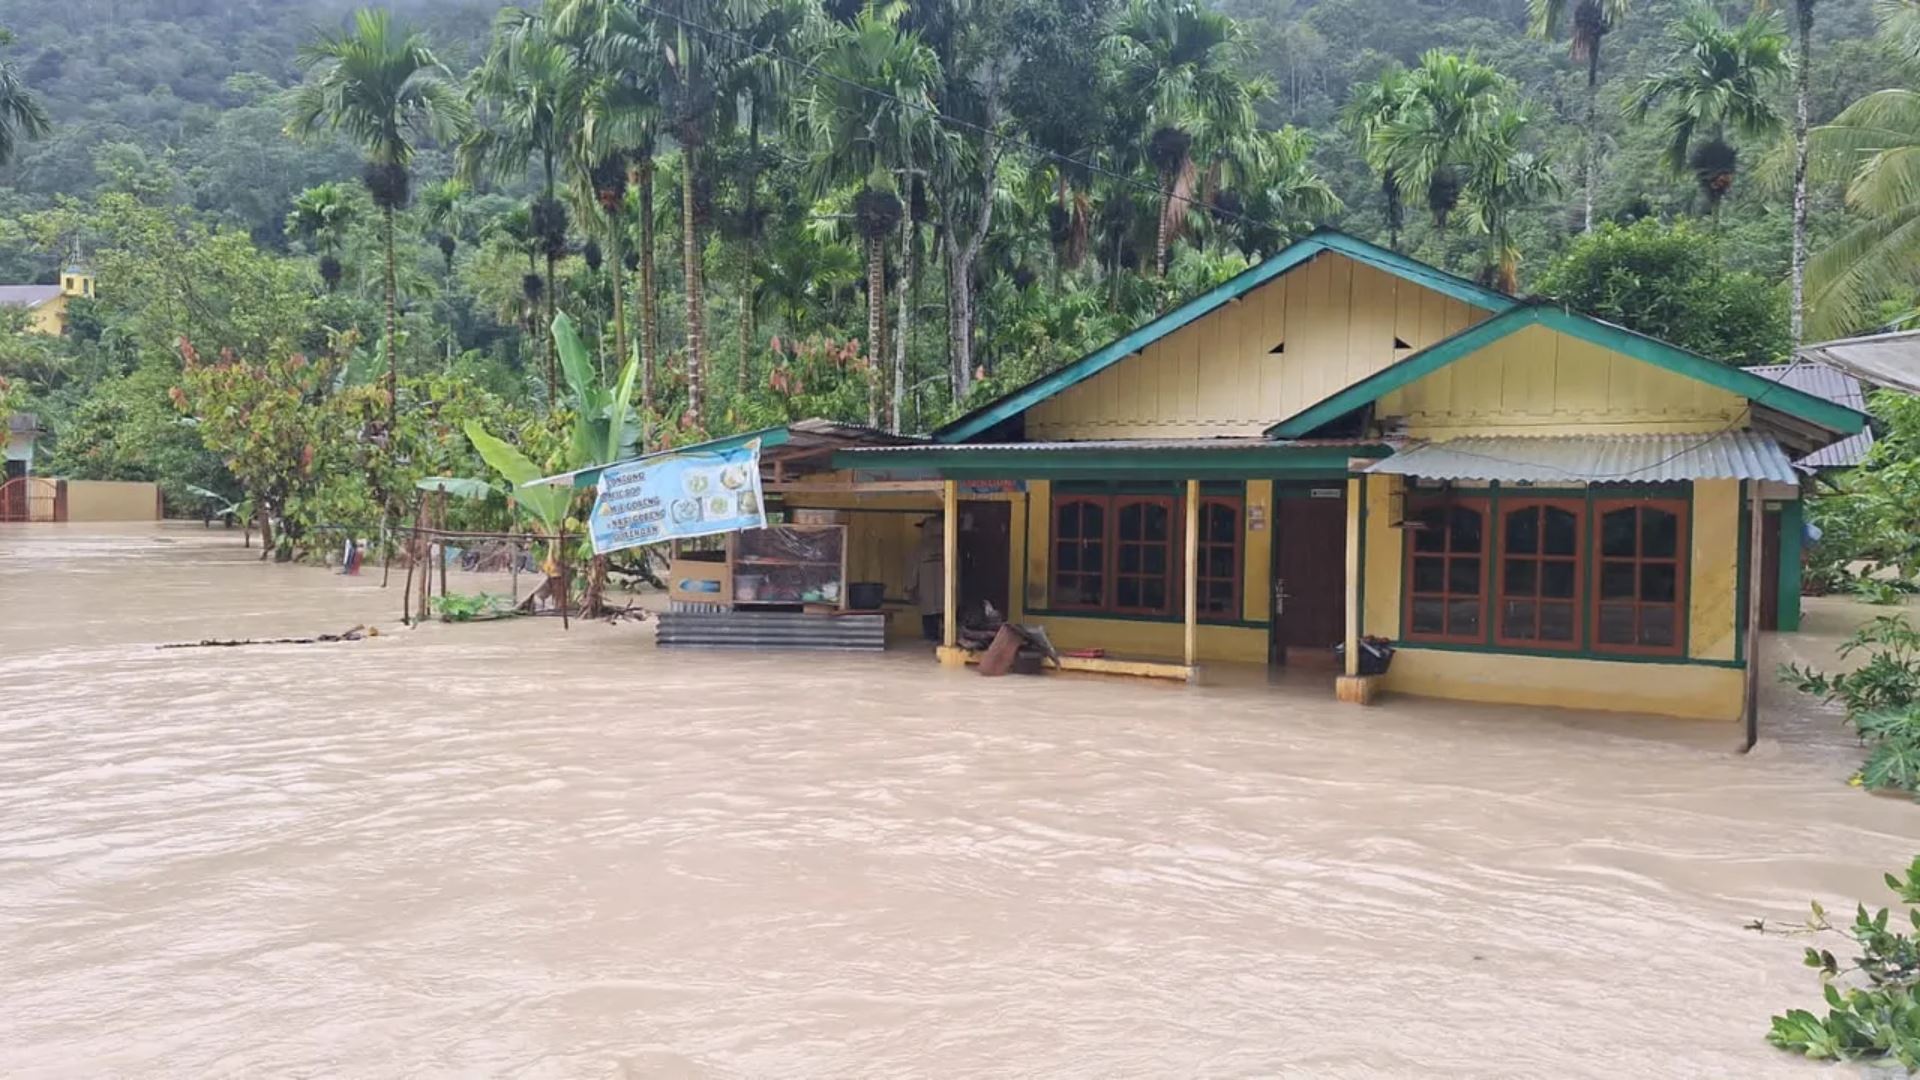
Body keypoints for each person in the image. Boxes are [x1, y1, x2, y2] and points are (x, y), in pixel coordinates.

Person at [906, 513, 945, 642]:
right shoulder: (949, 545)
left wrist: (910, 589)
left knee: (930, 634)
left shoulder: (920, 548)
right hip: (946, 597)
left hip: (927, 596)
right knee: (947, 630)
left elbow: (913, 571)